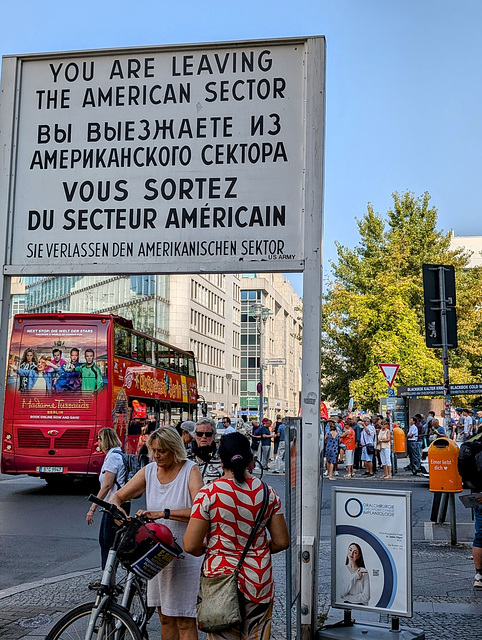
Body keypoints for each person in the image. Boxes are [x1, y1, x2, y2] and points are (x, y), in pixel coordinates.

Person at [183, 432, 290, 640]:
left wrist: (212, 549)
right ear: (251, 459)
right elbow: (281, 541)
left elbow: (190, 545)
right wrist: (257, 550)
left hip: (219, 579)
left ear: (221, 460)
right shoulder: (269, 493)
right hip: (259, 580)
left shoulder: (209, 494)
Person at [110, 426, 204, 640]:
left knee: (184, 618)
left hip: (184, 555)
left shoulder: (190, 470)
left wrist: (164, 513)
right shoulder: (150, 471)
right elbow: (118, 496)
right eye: (153, 450)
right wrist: (117, 508)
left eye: (161, 451)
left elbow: (200, 510)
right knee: (164, 616)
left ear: (174, 449)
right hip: (156, 554)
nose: (156, 456)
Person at [86, 428, 131, 586]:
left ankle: (108, 580)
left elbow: (106, 486)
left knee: (107, 542)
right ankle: (109, 578)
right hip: (122, 503)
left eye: (98, 439)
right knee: (112, 542)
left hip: (113, 505)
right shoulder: (119, 454)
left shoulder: (112, 458)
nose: (97, 442)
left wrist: (92, 509)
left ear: (104, 440)